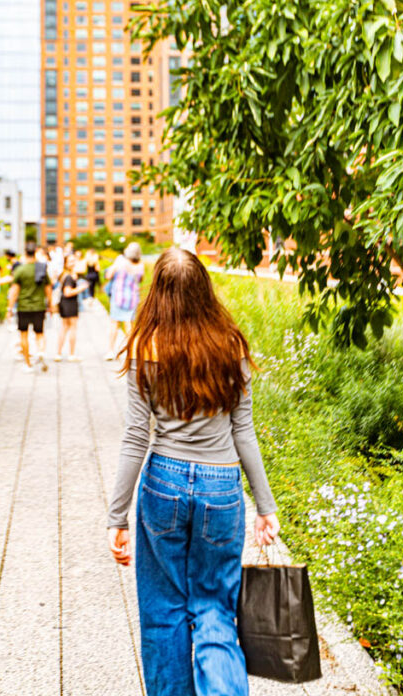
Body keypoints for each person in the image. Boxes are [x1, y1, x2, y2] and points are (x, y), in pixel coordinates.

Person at [107, 248, 280, 696]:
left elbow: (134, 438)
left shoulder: (145, 347)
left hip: (162, 482)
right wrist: (266, 506)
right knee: (214, 610)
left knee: (164, 611)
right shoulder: (232, 345)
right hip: (221, 487)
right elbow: (245, 433)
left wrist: (116, 517)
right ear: (204, 290)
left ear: (157, 295)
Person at [6, 240, 51, 373]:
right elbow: (48, 288)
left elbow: (14, 291)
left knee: (24, 335)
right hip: (39, 306)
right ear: (35, 253)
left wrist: (9, 308)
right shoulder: (42, 269)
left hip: (24, 307)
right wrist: (51, 305)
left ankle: (28, 364)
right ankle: (41, 351)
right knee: (40, 333)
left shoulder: (20, 270)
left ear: (25, 253)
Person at [104, 241, 145, 360]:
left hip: (118, 296)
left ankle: (111, 351)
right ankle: (132, 351)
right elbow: (140, 280)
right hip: (132, 297)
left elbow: (108, 276)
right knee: (129, 326)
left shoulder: (121, 262)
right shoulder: (140, 265)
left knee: (114, 324)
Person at [53, 253, 89, 362]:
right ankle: (71, 354)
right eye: (70, 261)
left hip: (64, 304)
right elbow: (67, 292)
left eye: (74, 260)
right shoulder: (68, 276)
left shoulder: (66, 275)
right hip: (70, 303)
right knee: (72, 328)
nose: (73, 263)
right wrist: (81, 288)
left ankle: (58, 353)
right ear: (66, 263)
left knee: (64, 328)